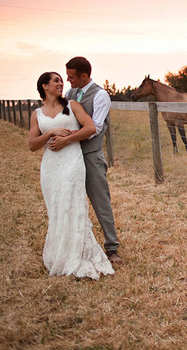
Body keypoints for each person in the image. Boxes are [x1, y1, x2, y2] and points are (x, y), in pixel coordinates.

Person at [28, 71, 114, 279]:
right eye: (56, 81)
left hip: (72, 163)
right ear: (44, 87)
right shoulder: (36, 114)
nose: (61, 83)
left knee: (73, 205)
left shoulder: (73, 106)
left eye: (61, 80)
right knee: (57, 208)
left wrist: (68, 139)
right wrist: (49, 133)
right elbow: (32, 145)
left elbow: (91, 127)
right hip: (51, 166)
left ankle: (81, 252)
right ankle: (61, 253)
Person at [65, 56, 121, 265]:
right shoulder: (69, 94)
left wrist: (69, 137)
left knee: (100, 199)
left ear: (84, 76)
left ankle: (112, 247)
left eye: (71, 77)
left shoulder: (100, 95)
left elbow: (96, 128)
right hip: (69, 155)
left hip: (90, 154)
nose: (68, 81)